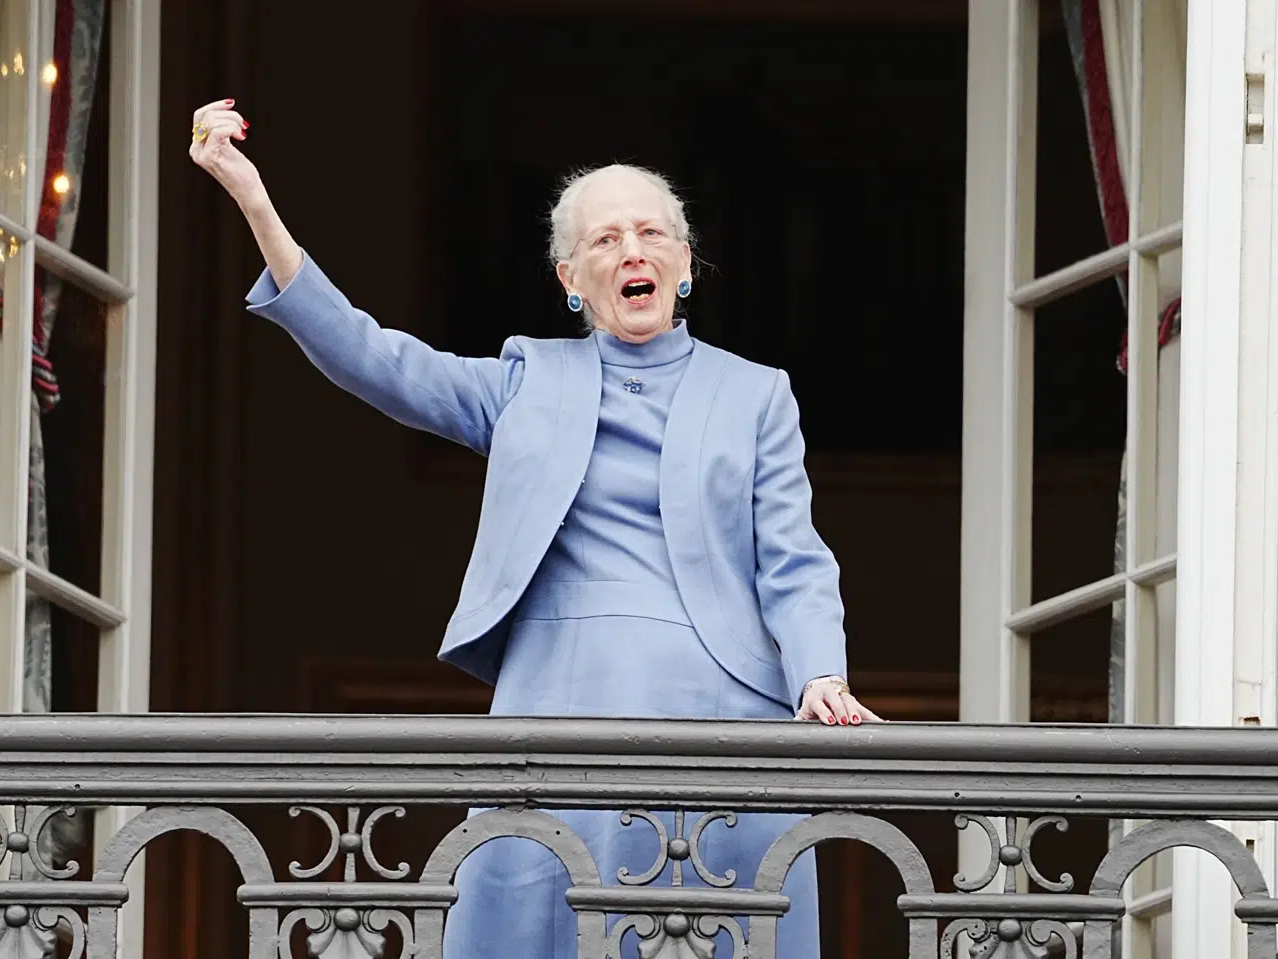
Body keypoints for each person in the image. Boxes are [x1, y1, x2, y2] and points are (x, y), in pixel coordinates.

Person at [190, 98, 879, 959]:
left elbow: (794, 555)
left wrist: (819, 670)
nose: (632, 250)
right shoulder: (525, 379)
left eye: (653, 234)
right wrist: (256, 201)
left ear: (686, 263)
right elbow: (374, 357)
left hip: (725, 716)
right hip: (558, 711)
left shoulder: (756, 393)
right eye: (604, 240)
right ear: (569, 279)